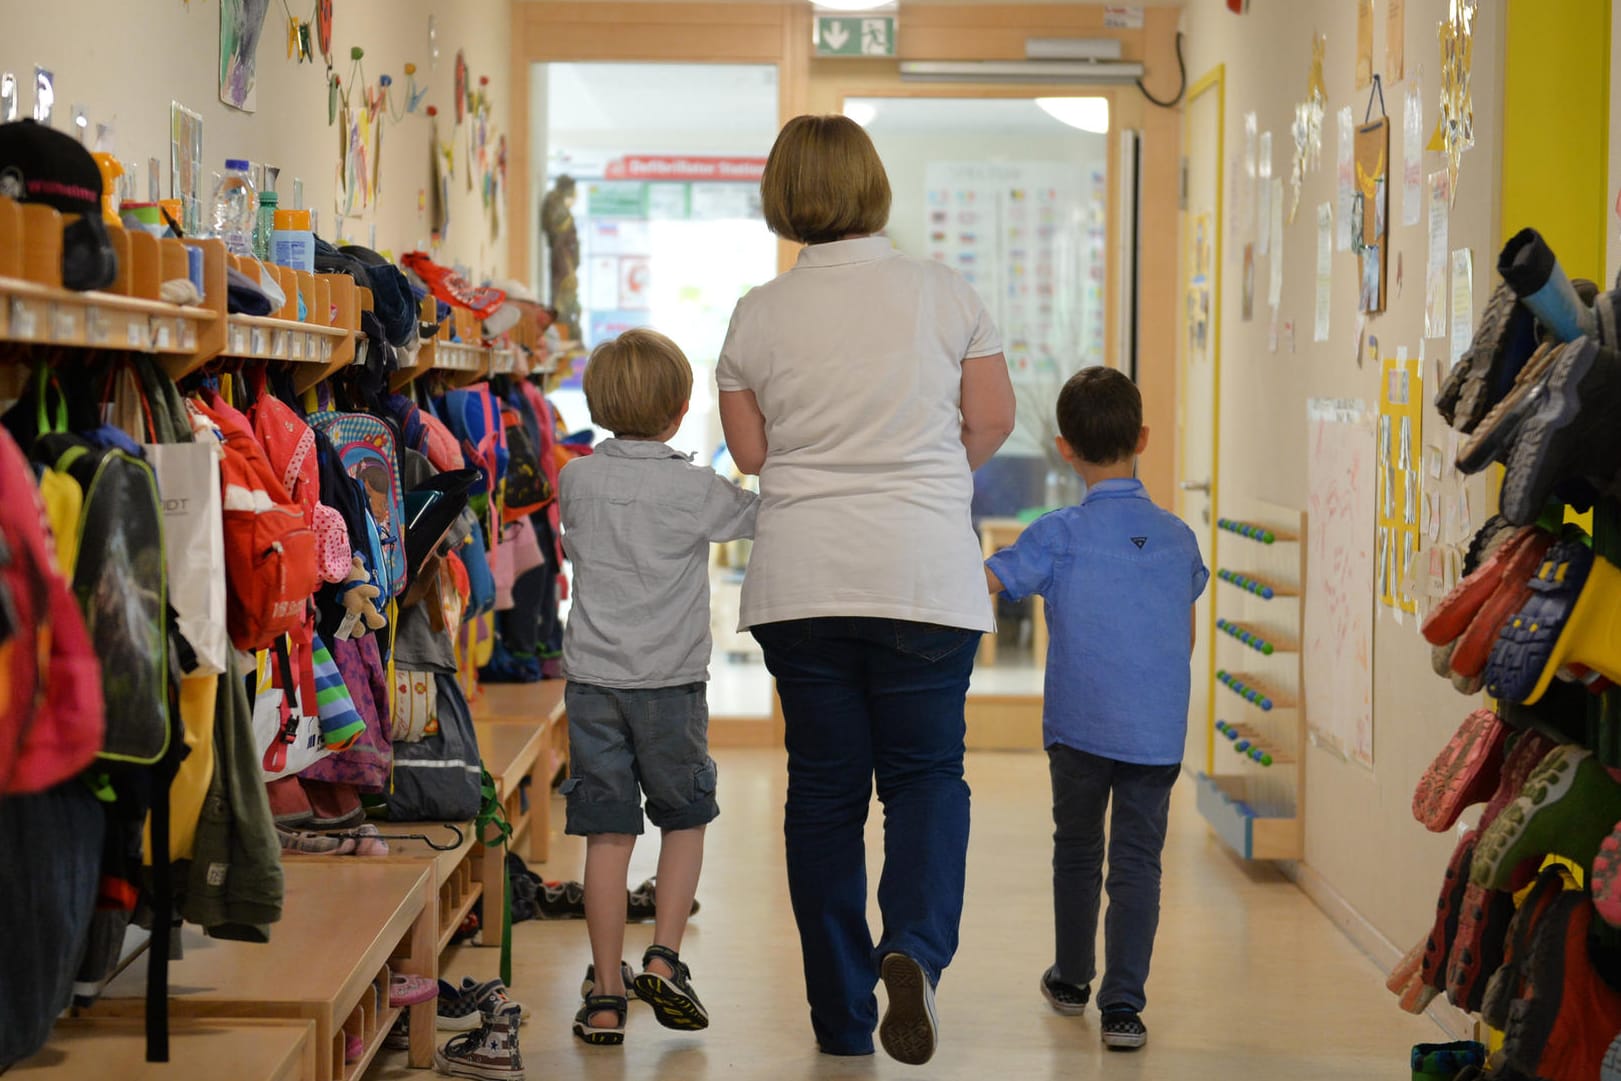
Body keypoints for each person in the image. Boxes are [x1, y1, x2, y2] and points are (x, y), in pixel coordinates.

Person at [717, 114, 1016, 1065]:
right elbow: (991, 420)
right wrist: (924, 474)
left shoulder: (757, 313)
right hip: (922, 575)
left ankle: (843, 1019)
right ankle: (914, 951)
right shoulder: (944, 292)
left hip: (802, 581)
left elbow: (754, 454)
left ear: (782, 194)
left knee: (825, 795)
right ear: (872, 185)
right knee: (926, 779)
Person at [984, 367, 1208, 1052]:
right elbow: (1185, 631)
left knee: (1077, 848)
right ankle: (1122, 1007)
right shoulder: (1176, 538)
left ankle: (1073, 978)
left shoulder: (1057, 533)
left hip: (1079, 728)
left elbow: (987, 582)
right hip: (1155, 729)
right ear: (1140, 437)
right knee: (1138, 859)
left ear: (1063, 447)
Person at [558, 328, 759, 1047]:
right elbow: (760, 518)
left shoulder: (574, 479)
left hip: (591, 685)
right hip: (670, 685)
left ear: (598, 401)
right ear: (680, 410)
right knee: (683, 816)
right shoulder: (693, 486)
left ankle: (606, 994)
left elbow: (575, 543)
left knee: (606, 836)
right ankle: (664, 960)